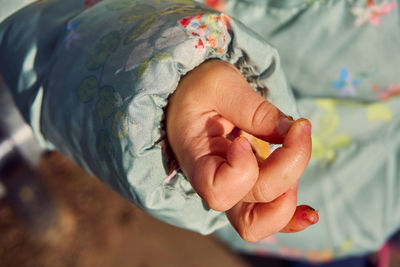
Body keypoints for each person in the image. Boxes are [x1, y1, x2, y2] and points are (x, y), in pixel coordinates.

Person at [0, 0, 399, 263]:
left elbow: (44, 45)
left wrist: (164, 108)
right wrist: (173, 68)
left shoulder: (367, 215)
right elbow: (35, 20)